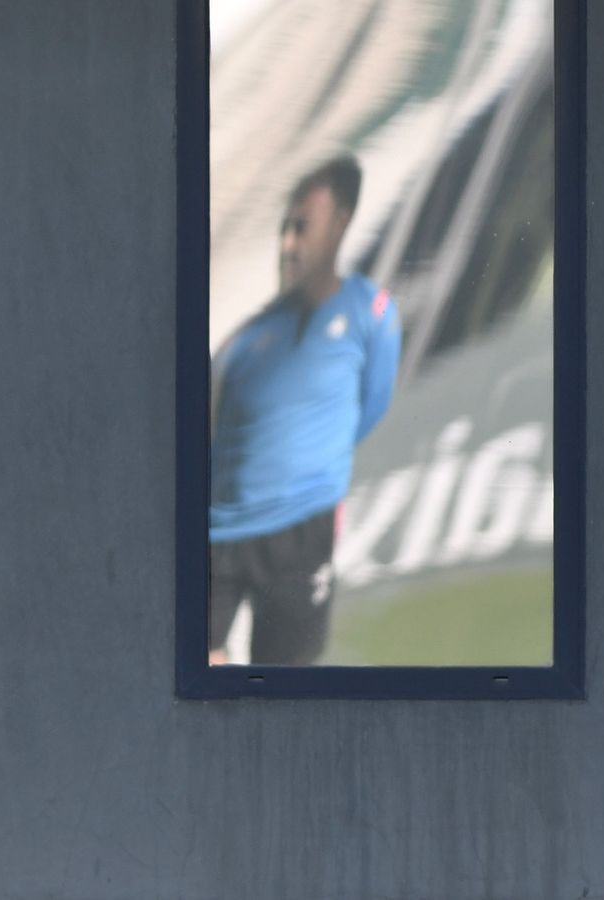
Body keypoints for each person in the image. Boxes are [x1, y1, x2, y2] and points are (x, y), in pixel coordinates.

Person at [208, 156, 400, 666]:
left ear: (340, 223)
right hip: (220, 530)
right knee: (199, 666)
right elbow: (210, 429)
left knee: (287, 685)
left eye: (302, 228)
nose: (287, 245)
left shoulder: (369, 312)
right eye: (284, 230)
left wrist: (316, 462)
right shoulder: (244, 341)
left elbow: (371, 405)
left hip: (302, 530)